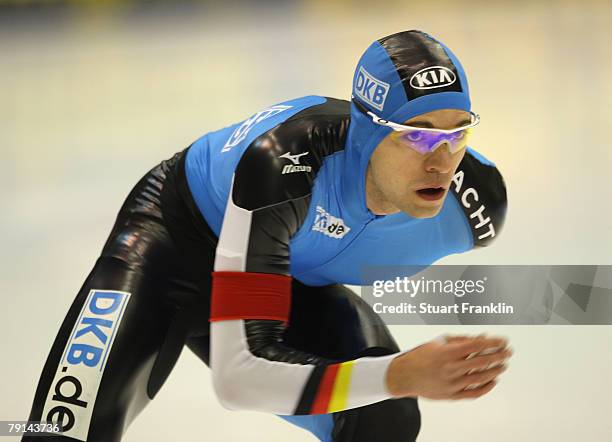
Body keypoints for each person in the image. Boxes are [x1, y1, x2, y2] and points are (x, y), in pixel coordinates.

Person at [23, 29, 511, 442]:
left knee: (384, 416)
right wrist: (399, 372)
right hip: (171, 247)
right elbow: (239, 381)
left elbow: (563, 294)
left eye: (457, 133)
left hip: (280, 276)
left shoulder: (475, 206)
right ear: (365, 131)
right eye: (417, 133)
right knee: (60, 432)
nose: (441, 160)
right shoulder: (286, 164)